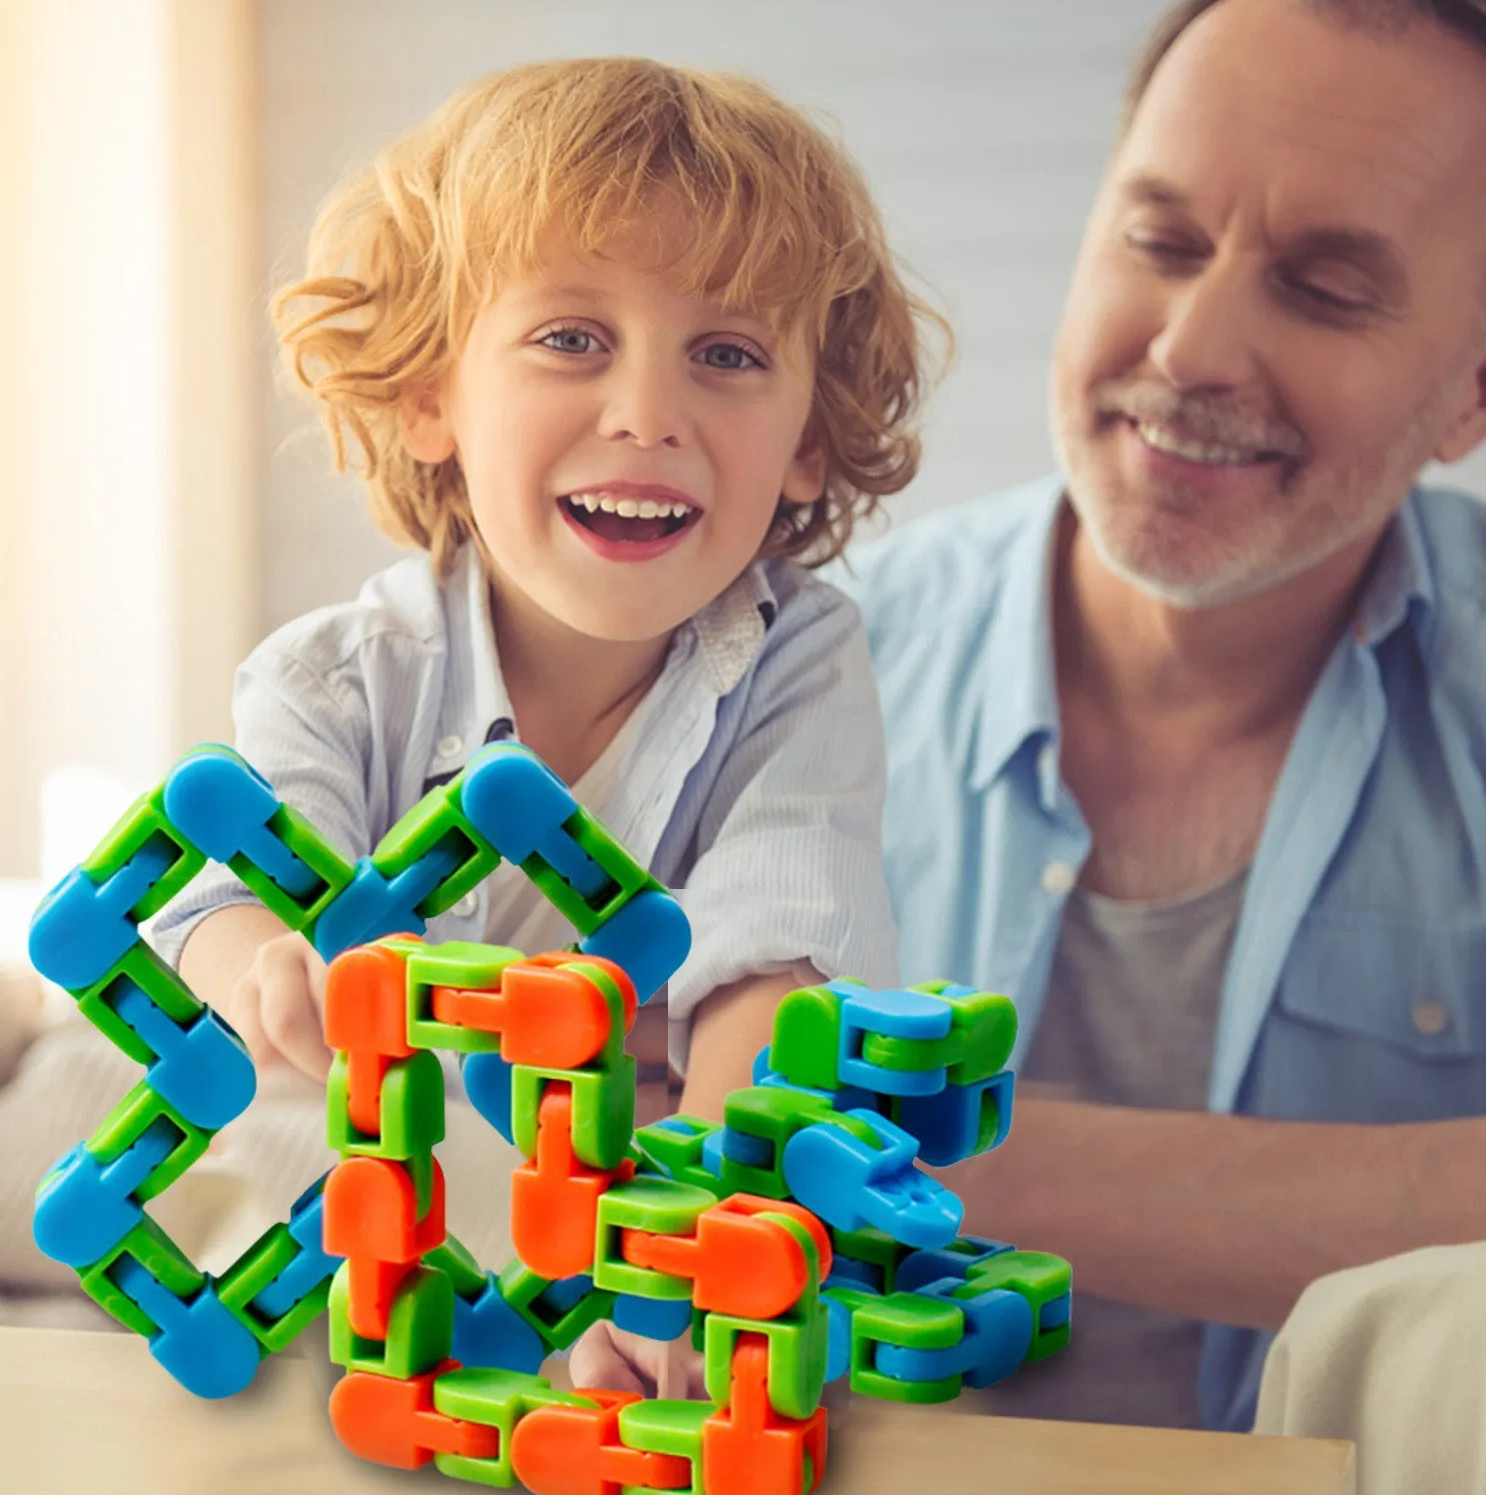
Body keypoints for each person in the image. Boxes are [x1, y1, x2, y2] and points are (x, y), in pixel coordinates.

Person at [838, 0, 1486, 1476]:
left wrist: (939, 1157)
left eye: (1325, 288)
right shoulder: (810, 664)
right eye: (1159, 242)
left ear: (1482, 391)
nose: (1190, 354)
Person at [149, 58, 946, 1130]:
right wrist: (264, 967)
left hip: (589, 1242)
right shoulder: (337, 678)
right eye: (572, 339)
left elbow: (779, 955)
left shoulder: (794, 661)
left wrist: (703, 1235)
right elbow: (218, 894)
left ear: (807, 438)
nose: (648, 413)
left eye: (726, 352)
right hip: (333, 1213)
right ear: (432, 396)